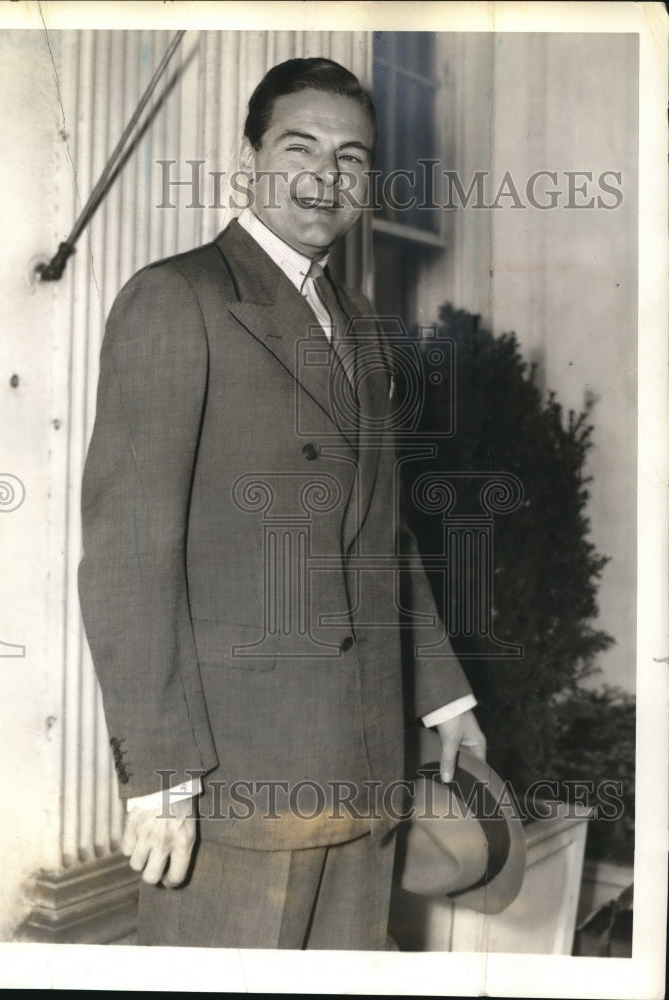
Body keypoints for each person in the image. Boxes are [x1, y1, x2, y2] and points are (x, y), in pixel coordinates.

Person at [78, 56, 486, 950]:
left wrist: (446, 701)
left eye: (350, 157)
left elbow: (382, 535)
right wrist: (161, 776)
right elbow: (126, 557)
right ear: (248, 159)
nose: (324, 176)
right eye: (299, 147)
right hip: (234, 781)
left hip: (366, 761)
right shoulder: (176, 299)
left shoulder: (366, 325)